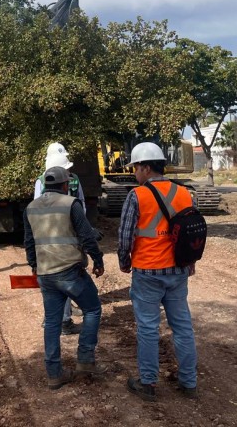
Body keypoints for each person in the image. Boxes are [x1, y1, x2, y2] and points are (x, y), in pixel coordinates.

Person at [118, 142, 198, 402]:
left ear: (145, 167)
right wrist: (190, 261)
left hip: (148, 271)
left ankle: (148, 382)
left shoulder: (137, 195)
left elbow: (125, 235)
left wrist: (123, 260)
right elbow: (192, 231)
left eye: (136, 168)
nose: (134, 173)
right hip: (177, 271)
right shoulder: (184, 193)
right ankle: (189, 382)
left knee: (148, 329)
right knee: (183, 327)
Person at [24, 166, 106, 390]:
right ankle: (85, 360)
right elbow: (86, 236)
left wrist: (34, 266)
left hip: (45, 274)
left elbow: (29, 243)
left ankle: (54, 374)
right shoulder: (71, 204)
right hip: (70, 271)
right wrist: (98, 261)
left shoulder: (31, 208)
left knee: (52, 321)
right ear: (64, 185)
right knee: (92, 309)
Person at [34, 142, 85, 335]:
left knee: (51, 277)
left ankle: (55, 319)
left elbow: (35, 208)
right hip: (70, 236)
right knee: (67, 274)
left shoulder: (41, 181)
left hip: (47, 236)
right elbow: (82, 206)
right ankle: (62, 319)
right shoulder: (75, 180)